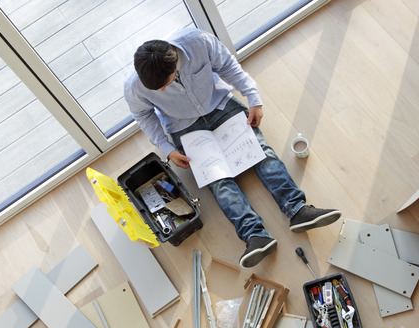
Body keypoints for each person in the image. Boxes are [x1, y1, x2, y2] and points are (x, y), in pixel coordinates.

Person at [124, 28, 341, 268]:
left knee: (260, 152)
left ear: (175, 60)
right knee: (217, 178)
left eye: (165, 84)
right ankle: (255, 236)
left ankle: (297, 209)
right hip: (182, 125)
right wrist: (167, 148)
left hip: (220, 105)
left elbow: (228, 67)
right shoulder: (134, 87)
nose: (162, 91)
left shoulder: (198, 42)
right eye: (158, 90)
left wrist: (254, 99)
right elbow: (144, 116)